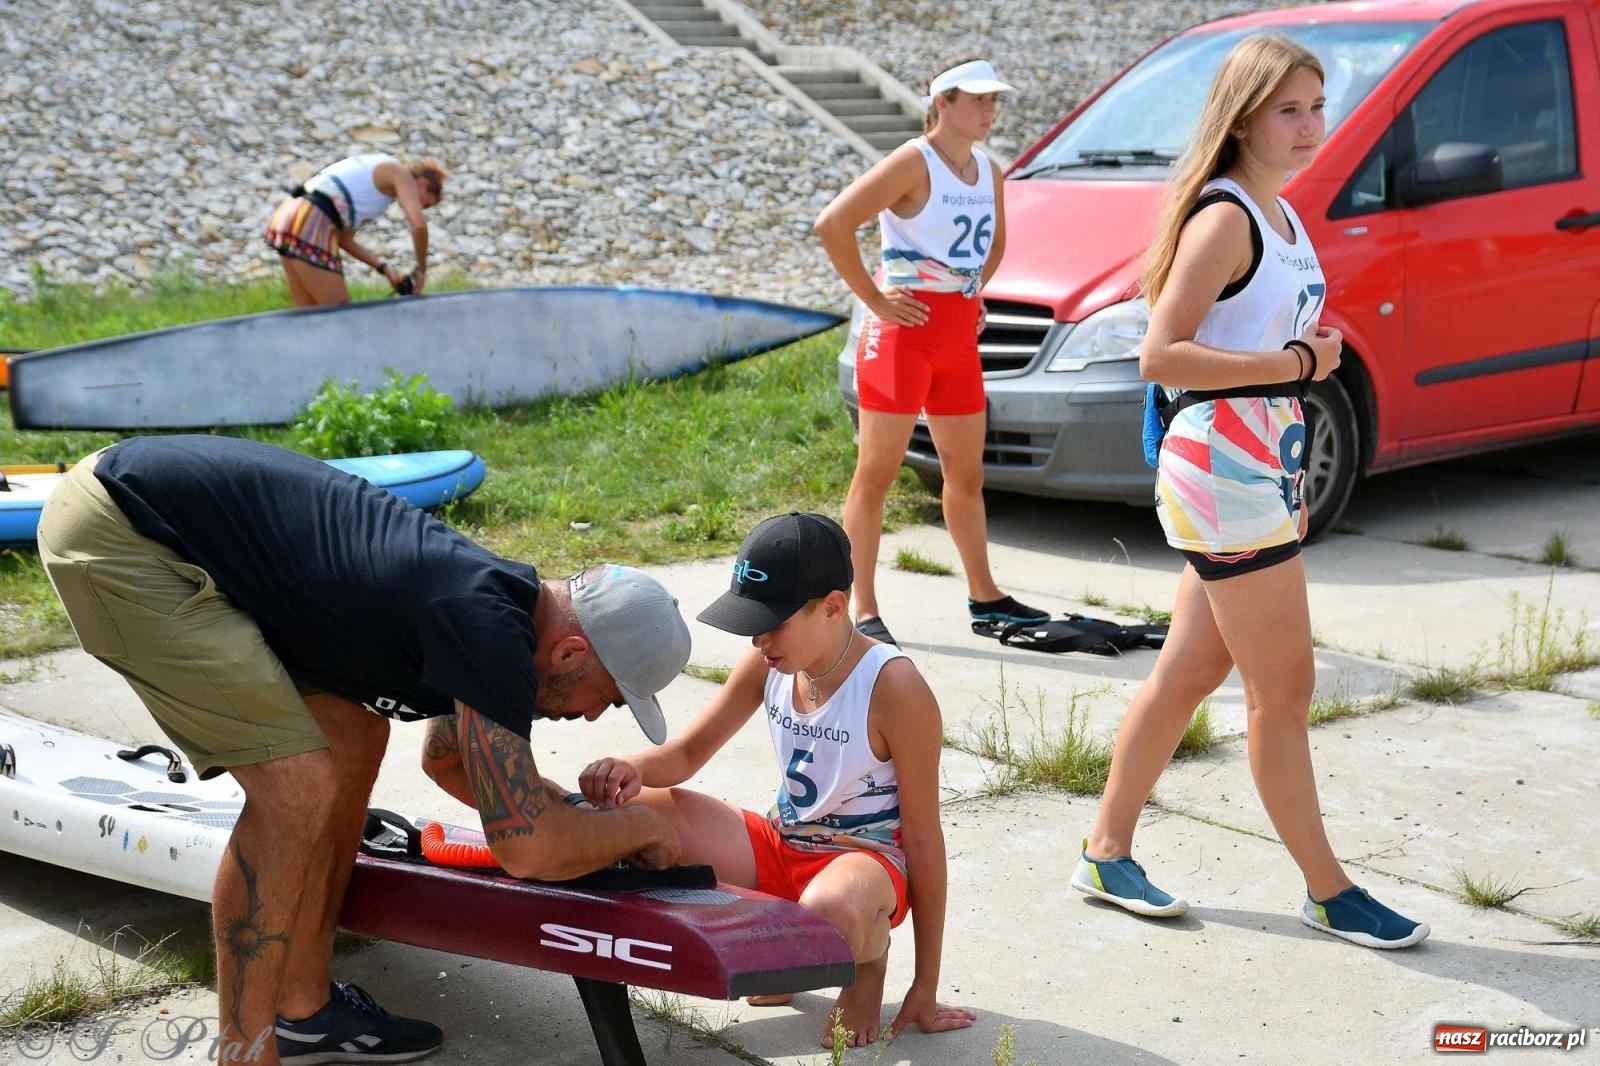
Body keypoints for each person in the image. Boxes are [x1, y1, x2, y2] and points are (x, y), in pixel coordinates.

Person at [36, 435, 692, 1065]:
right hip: (124, 529)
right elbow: (527, 847)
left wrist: (565, 808)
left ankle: (304, 1010)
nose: (594, 715)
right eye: (608, 696)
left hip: (169, 516)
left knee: (352, 736)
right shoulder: (487, 629)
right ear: (572, 652)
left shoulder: (500, 616)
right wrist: (643, 826)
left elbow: (449, 760)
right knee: (295, 790)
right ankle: (246, 1054)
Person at [1072, 35, 1428, 949]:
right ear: (1241, 119)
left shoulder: (1279, 212)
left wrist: (1292, 428)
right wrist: (1297, 362)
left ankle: (1105, 851)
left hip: (1257, 465)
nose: (1312, 126)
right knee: (1285, 690)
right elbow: (1160, 352)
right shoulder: (1224, 218)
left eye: (1316, 106)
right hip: (1223, 468)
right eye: (1289, 111)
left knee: (1191, 669)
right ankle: (1327, 888)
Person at [578, 513, 976, 1048]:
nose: (758, 637)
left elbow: (925, 840)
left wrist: (925, 986)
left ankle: (868, 961)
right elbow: (690, 751)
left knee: (828, 912)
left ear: (834, 607)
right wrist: (631, 768)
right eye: (750, 622)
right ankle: (790, 948)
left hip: (864, 864)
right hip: (780, 844)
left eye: (772, 621)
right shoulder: (769, 662)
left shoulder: (893, 688)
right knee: (632, 814)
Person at [814, 59, 1049, 647]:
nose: (990, 111)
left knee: (966, 476)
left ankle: (985, 595)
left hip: (954, 338)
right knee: (876, 476)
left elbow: (993, 245)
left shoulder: (988, 170)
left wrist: (973, 291)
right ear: (942, 102)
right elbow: (833, 224)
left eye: (996, 100)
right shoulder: (913, 160)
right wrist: (875, 298)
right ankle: (860, 609)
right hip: (902, 336)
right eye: (978, 99)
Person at [264, 153, 446, 307]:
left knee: (310, 316)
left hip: (292, 215)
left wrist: (385, 269)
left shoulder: (378, 191)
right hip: (313, 217)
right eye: (426, 203)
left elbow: (345, 240)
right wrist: (421, 268)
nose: (421, 208)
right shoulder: (398, 172)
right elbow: (419, 225)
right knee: (340, 313)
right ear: (422, 184)